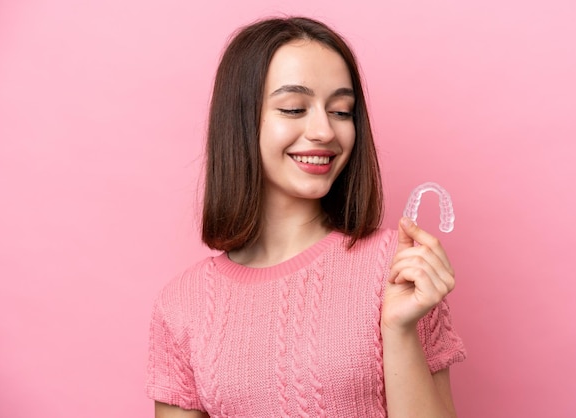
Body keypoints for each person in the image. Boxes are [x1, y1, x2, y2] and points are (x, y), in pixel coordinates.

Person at [146, 16, 466, 418]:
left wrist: (399, 331)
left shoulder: (398, 269)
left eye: (342, 111)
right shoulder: (182, 304)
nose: (324, 131)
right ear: (241, 121)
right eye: (295, 108)